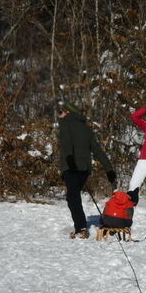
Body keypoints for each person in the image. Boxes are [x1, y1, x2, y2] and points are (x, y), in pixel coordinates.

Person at [56, 102, 116, 239]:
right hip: (84, 170)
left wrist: (70, 158)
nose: (59, 114)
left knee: (73, 198)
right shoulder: (86, 128)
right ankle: (80, 226)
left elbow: (66, 142)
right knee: (74, 196)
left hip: (70, 167)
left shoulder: (65, 123)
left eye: (61, 112)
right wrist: (109, 169)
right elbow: (97, 150)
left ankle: (81, 228)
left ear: (67, 113)